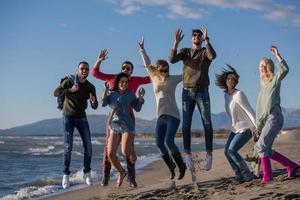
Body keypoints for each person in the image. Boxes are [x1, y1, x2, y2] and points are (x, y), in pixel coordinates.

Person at [92, 50, 151, 187]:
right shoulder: (113, 79)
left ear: (131, 71)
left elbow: (151, 78)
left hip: (129, 116)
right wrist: (99, 60)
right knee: (109, 149)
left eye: (128, 68)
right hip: (113, 118)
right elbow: (95, 73)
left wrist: (144, 55)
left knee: (127, 150)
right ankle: (106, 176)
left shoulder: (135, 81)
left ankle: (131, 178)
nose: (125, 70)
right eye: (123, 67)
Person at [169, 27, 216, 172]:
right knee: (186, 125)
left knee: (207, 123)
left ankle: (209, 154)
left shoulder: (205, 53)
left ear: (202, 39)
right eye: (194, 35)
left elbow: (213, 56)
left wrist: (207, 40)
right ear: (191, 38)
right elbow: (171, 60)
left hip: (203, 91)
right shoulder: (185, 52)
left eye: (199, 35)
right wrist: (175, 43)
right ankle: (187, 154)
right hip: (187, 92)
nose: (196, 37)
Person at [139, 38, 187, 180]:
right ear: (158, 69)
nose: (165, 72)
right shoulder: (154, 77)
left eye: (167, 69)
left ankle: (181, 165)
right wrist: (142, 50)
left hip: (173, 116)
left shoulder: (173, 79)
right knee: (159, 143)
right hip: (161, 116)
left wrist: (189, 60)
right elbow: (147, 64)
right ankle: (171, 166)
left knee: (169, 141)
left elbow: (188, 75)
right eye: (162, 70)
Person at [254, 45, 299, 184]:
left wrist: (277, 55)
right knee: (265, 148)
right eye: (261, 65)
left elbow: (285, 69)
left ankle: (267, 177)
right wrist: (258, 127)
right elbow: (261, 110)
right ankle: (291, 166)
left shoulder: (275, 81)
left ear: (270, 67)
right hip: (267, 120)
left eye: (265, 65)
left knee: (261, 147)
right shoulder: (262, 87)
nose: (262, 67)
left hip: (275, 118)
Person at [53, 61, 98, 189]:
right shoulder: (69, 81)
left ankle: (87, 173)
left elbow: (95, 106)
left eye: (87, 69)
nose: (84, 71)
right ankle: (65, 175)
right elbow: (55, 93)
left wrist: (94, 101)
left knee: (88, 146)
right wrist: (69, 90)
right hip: (68, 117)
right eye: (82, 68)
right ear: (78, 70)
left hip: (81, 117)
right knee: (68, 147)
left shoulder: (90, 86)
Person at [101, 72, 145, 187]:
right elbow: (103, 103)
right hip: (114, 126)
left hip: (127, 126)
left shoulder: (130, 95)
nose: (124, 83)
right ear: (118, 83)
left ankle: (132, 150)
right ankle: (121, 172)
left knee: (125, 152)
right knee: (110, 154)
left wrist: (140, 98)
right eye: (122, 81)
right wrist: (105, 90)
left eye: (126, 82)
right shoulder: (112, 94)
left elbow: (138, 108)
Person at [215, 65, 254, 182]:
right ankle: (238, 173)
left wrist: (257, 128)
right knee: (226, 152)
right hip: (234, 129)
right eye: (229, 78)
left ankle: (247, 173)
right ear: (225, 81)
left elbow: (250, 111)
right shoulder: (226, 96)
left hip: (246, 128)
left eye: (233, 79)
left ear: (236, 81)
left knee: (232, 150)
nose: (231, 80)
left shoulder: (239, 94)